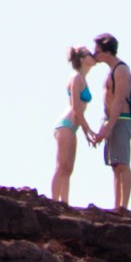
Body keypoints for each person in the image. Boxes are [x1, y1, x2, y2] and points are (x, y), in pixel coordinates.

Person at [93, 30, 131, 216]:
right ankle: (117, 206)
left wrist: (109, 126)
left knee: (122, 163)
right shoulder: (111, 71)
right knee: (115, 165)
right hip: (112, 121)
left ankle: (124, 206)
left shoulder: (121, 70)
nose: (95, 54)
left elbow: (120, 100)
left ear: (107, 52)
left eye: (97, 51)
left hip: (120, 121)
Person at [50, 39, 95, 204]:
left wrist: (84, 130)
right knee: (61, 165)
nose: (93, 56)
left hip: (73, 127)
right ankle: (54, 201)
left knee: (68, 168)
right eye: (89, 54)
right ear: (82, 59)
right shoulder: (76, 77)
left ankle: (64, 202)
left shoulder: (82, 78)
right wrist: (87, 130)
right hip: (66, 125)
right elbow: (76, 107)